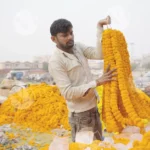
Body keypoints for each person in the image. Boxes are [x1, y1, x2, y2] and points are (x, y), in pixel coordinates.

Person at [49, 16, 117, 142]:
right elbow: (68, 92)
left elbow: (99, 54)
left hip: (94, 109)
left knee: (98, 145)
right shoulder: (56, 61)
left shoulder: (78, 47)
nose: (70, 37)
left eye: (71, 33)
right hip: (80, 116)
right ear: (54, 39)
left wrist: (99, 28)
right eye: (64, 35)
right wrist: (97, 82)